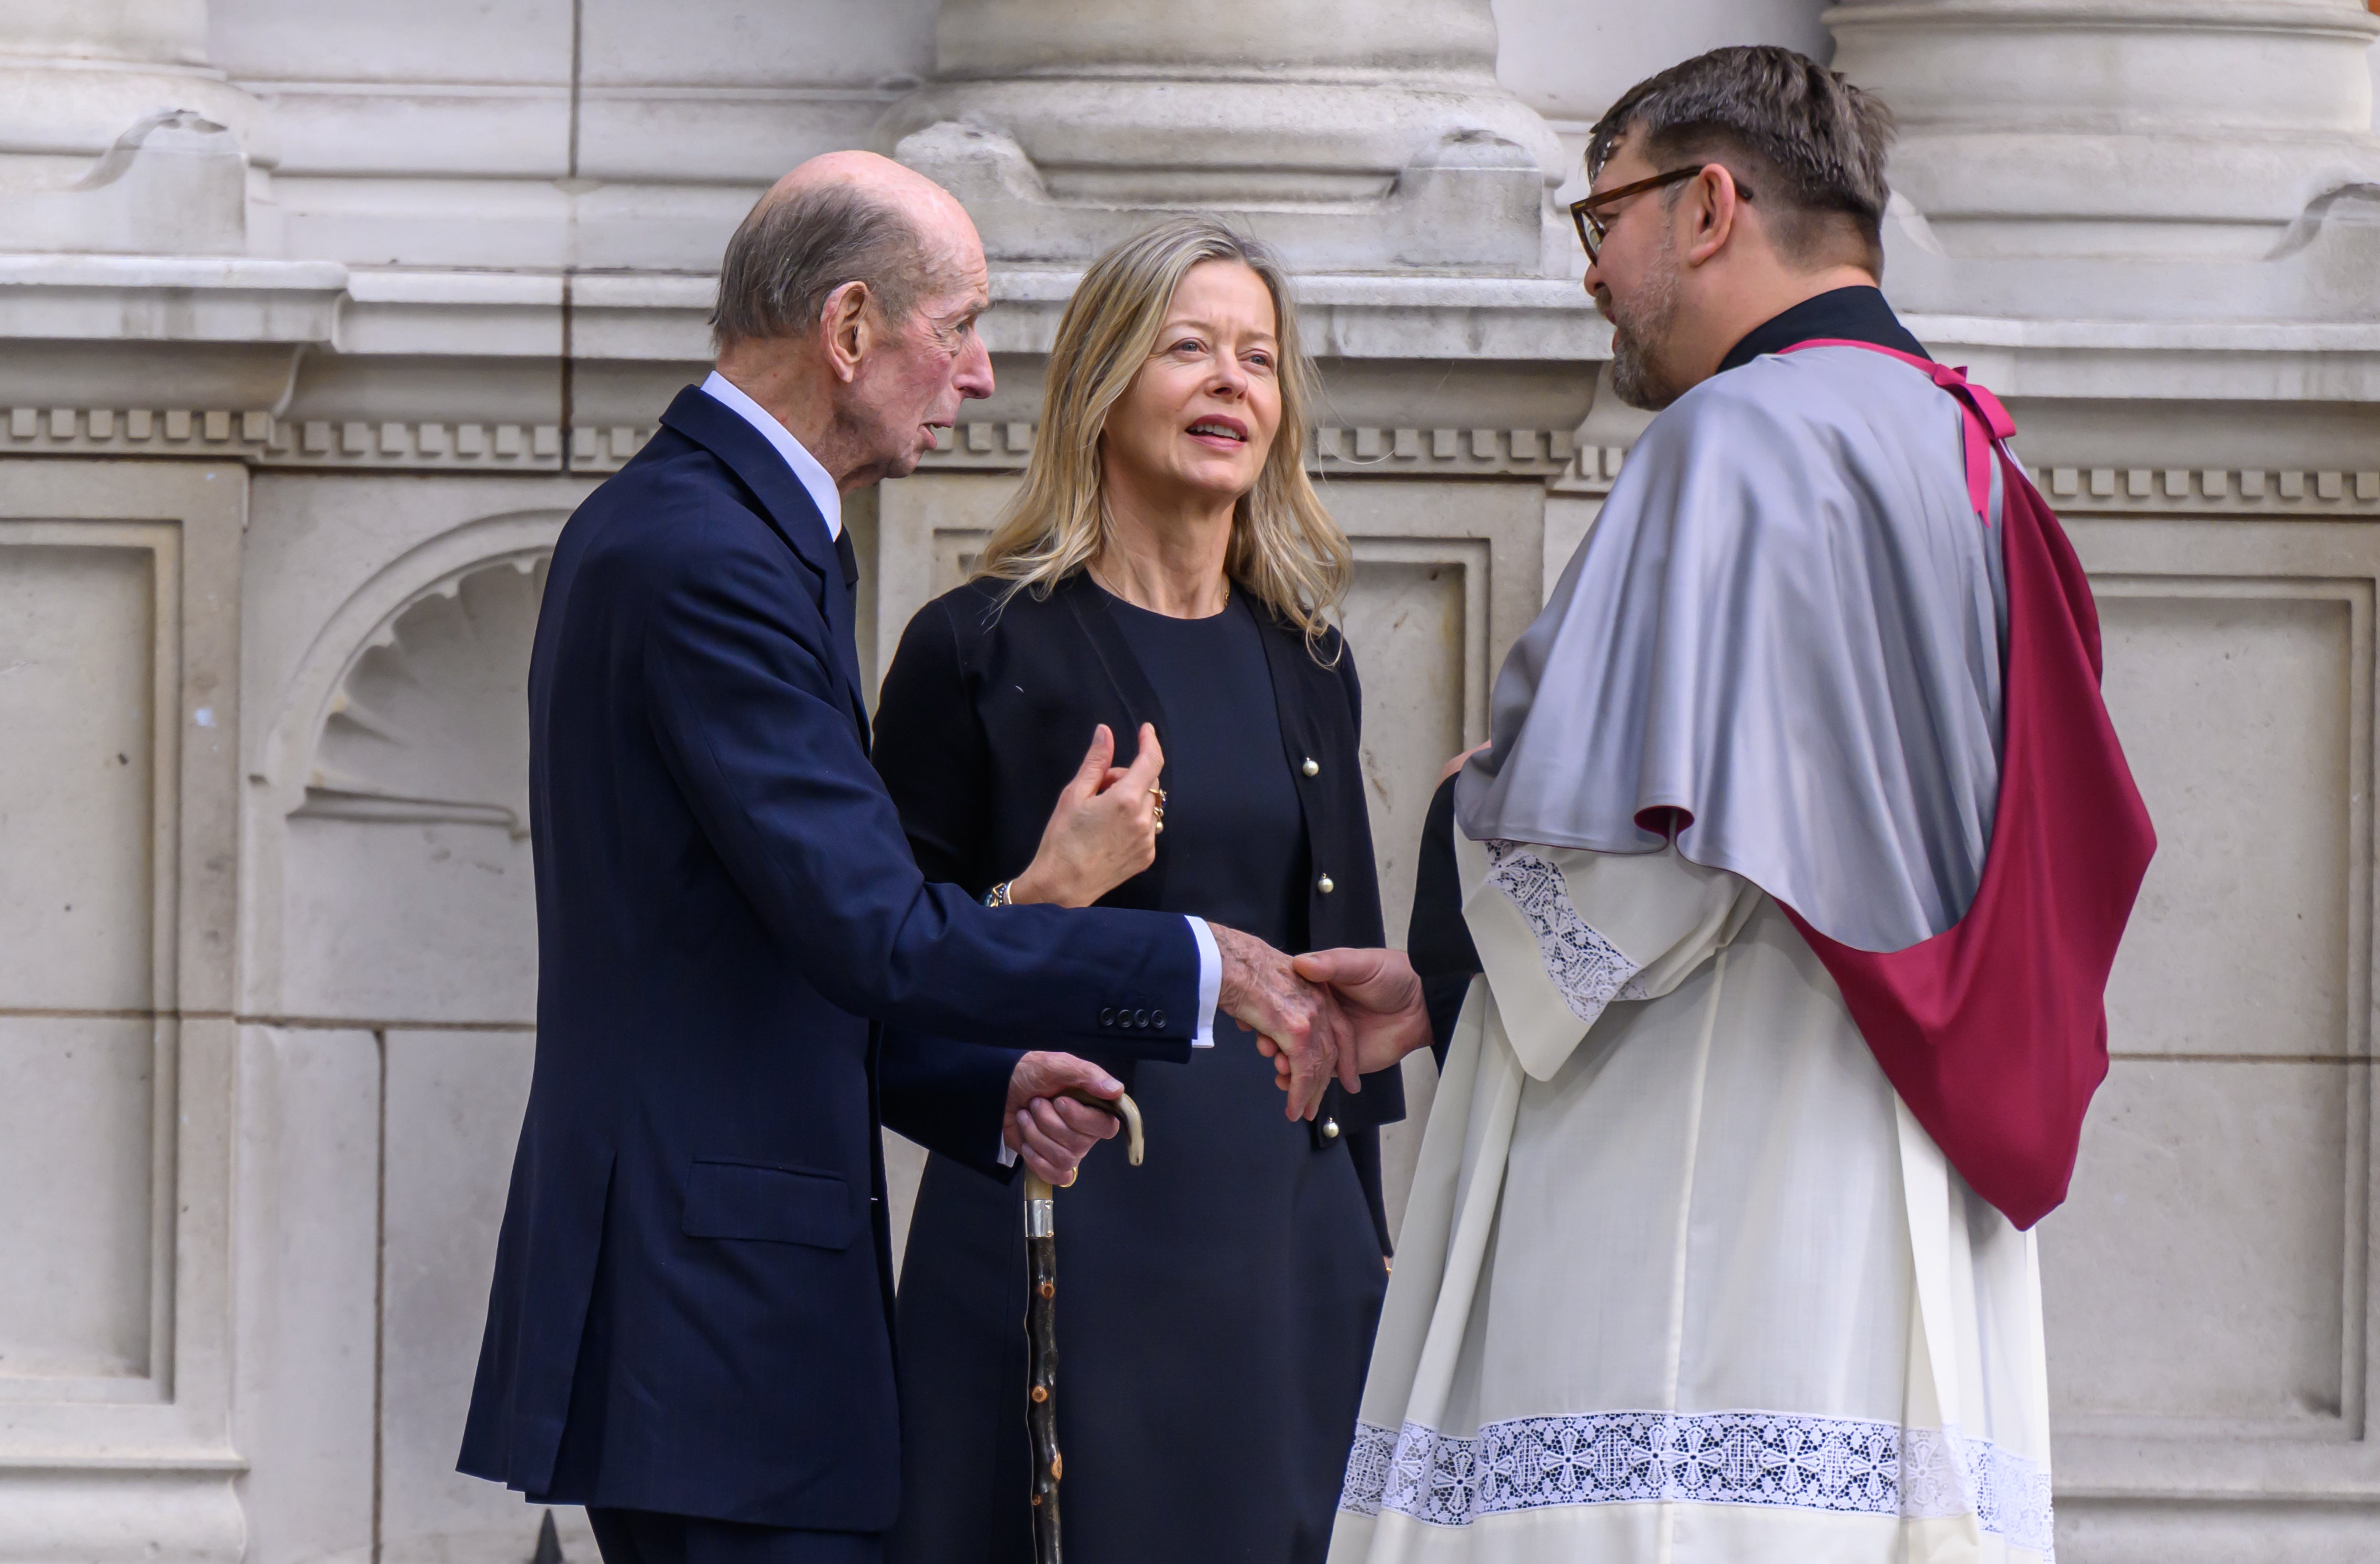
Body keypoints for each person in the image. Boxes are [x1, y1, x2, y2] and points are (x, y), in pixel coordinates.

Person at [1303, 47, 2154, 1564]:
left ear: (1706, 205)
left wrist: (1464, 827)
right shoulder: (1968, 451)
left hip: (1713, 1152)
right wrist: (1440, 983)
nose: (1591, 275)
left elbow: (1628, 861)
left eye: (1600, 215)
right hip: (1895, 1144)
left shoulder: (1739, 434)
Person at [455, 153, 1366, 1564]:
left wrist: (988, 1089)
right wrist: (1197, 960)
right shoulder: (706, 556)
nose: (983, 376)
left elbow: (786, 955)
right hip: (707, 1309)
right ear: (851, 327)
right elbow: (874, 930)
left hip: (737, 1306)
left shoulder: (745, 538)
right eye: (959, 327)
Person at [872, 217, 1405, 1564]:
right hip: (1070, 1232)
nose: (1233, 383)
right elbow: (877, 984)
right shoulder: (974, 650)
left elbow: (1338, 994)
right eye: (1189, 349)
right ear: (1104, 383)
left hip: (1285, 1249)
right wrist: (1043, 889)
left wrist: (1370, 1241)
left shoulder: (1311, 660)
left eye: (1259, 359)